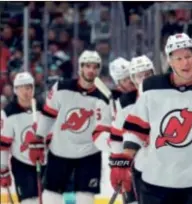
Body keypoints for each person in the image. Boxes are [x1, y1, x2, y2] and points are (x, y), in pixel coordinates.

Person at [109, 33, 192, 204]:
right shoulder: (151, 87)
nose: (185, 62)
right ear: (170, 61)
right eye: (179, 58)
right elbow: (136, 128)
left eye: (188, 56)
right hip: (157, 182)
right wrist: (124, 159)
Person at [35, 50, 110, 204]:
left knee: (85, 198)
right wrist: (38, 140)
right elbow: (48, 115)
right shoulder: (61, 87)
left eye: (95, 67)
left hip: (89, 154)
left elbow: (104, 129)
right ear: (80, 68)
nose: (91, 70)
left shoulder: (104, 97)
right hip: (59, 151)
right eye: (87, 66)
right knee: (51, 196)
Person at [108, 55, 155, 204]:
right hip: (138, 166)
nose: (145, 78)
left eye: (148, 74)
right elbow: (116, 138)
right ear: (134, 79)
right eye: (140, 75)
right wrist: (119, 166)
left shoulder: (167, 95)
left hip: (165, 165)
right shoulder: (124, 102)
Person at [0, 72, 49, 204]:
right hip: (22, 165)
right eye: (22, 88)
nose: (26, 91)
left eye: (29, 87)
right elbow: (4, 145)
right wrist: (3, 170)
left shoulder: (43, 107)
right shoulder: (8, 113)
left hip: (44, 163)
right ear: (16, 90)